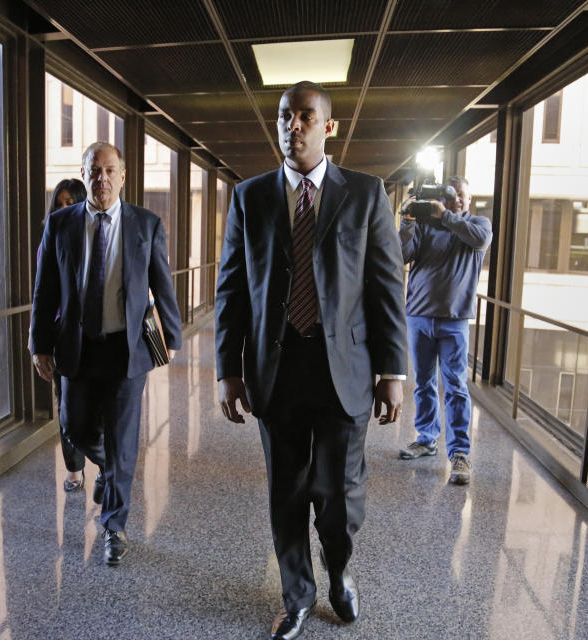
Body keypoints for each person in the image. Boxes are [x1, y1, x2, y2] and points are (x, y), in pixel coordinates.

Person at [215, 81, 407, 640]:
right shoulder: (250, 197)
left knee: (339, 496)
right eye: (284, 116)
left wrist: (392, 372)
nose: (292, 126)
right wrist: (229, 369)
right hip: (276, 367)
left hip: (344, 368)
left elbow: (385, 290)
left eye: (305, 116)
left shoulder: (366, 195)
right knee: (288, 491)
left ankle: (339, 568)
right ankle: (297, 594)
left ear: (329, 127)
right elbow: (232, 291)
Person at [30, 142, 182, 566]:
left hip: (125, 349)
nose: (102, 179)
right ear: (83, 174)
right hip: (76, 347)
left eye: (110, 170)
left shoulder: (145, 224)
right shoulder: (60, 224)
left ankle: (114, 526)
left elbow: (162, 285)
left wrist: (171, 336)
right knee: (74, 426)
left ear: (123, 175)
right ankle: (109, 470)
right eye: (94, 171)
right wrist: (38, 344)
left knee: (122, 441)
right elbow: (44, 292)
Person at [397, 176, 492, 485]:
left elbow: (478, 241)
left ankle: (460, 454)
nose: (457, 201)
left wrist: (444, 216)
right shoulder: (426, 226)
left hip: (454, 319)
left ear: (469, 198)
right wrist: (408, 220)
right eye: (451, 197)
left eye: (462, 196)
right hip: (419, 315)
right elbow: (401, 255)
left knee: (455, 387)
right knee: (423, 382)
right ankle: (426, 438)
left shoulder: (478, 224)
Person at [45, 178, 88, 493]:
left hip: (99, 336)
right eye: (59, 204)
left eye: (70, 203)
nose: (64, 209)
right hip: (64, 336)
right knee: (66, 408)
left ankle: (103, 463)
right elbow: (41, 294)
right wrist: (40, 343)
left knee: (99, 406)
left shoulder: (98, 235)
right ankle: (74, 468)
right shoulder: (51, 238)